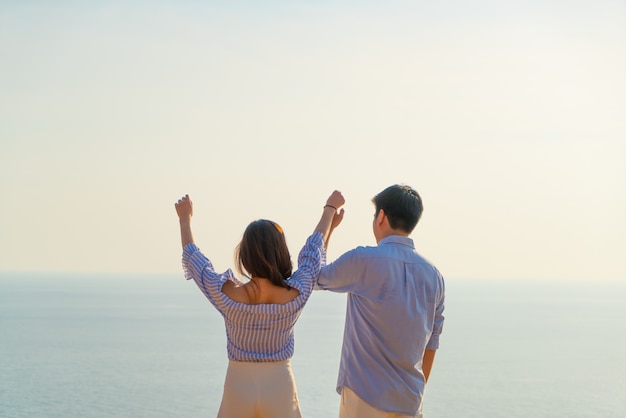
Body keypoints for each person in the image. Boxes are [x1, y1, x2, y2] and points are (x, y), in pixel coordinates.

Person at [174, 190, 345, 418]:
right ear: (281, 252)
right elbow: (313, 253)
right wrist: (329, 210)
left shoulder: (226, 294)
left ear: (244, 254)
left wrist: (185, 219)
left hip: (238, 383)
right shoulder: (296, 293)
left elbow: (195, 260)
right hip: (279, 383)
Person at [315, 184, 445, 418]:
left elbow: (314, 276)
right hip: (410, 400)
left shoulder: (364, 259)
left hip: (364, 396)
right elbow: (432, 341)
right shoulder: (434, 274)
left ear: (381, 216)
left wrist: (329, 224)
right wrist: (418, 392)